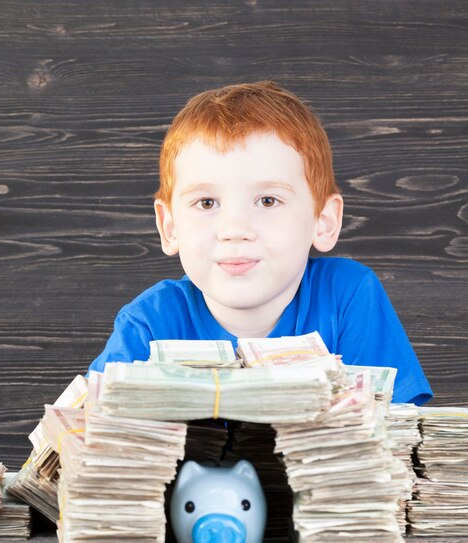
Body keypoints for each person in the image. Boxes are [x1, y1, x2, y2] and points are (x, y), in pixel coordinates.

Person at [88, 80, 433, 405]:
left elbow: (398, 439)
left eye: (267, 201)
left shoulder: (347, 296)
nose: (234, 229)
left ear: (323, 222)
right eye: (207, 203)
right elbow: (90, 441)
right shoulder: (149, 324)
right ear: (170, 226)